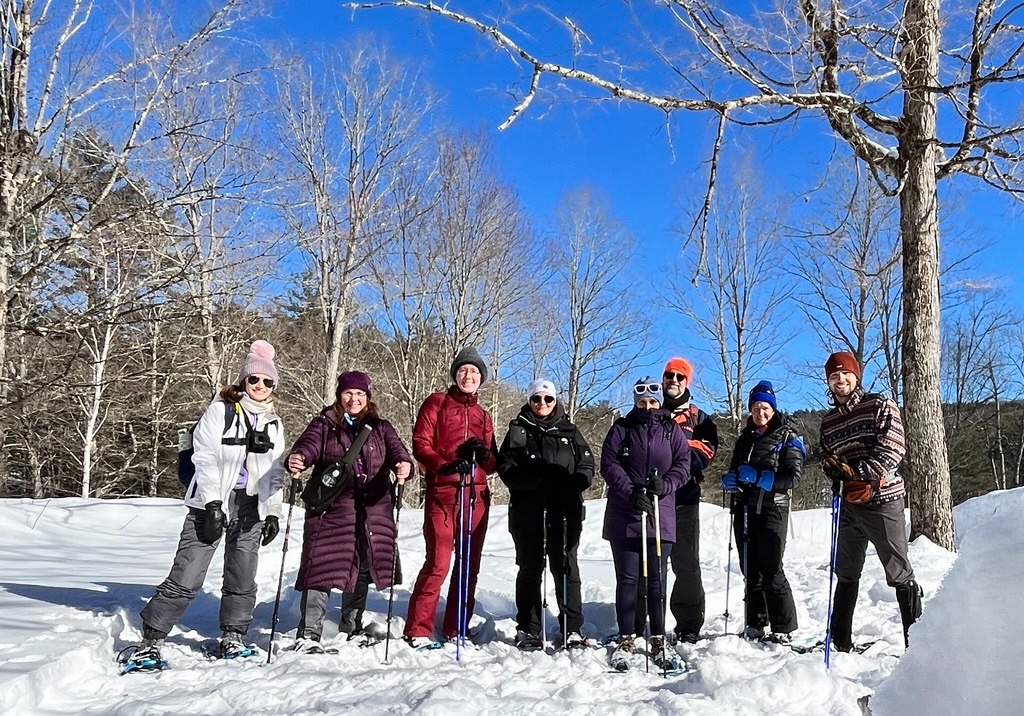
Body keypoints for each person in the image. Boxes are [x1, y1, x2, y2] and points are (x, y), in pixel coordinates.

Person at [131, 340, 287, 667]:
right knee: (189, 572)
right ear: (243, 381)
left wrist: (272, 512)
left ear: (274, 386)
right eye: (254, 379)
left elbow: (274, 472)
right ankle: (152, 638)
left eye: (267, 381)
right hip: (211, 501)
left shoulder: (274, 423)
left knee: (242, 574)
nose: (260, 386)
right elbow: (203, 457)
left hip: (251, 506)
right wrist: (213, 503)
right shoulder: (220, 410)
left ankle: (233, 635)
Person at [286, 371, 412, 652]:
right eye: (348, 393)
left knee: (361, 568)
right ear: (339, 396)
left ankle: (351, 626)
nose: (354, 399)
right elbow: (307, 447)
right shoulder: (324, 424)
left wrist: (404, 465)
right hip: (332, 509)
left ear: (368, 397)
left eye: (360, 394)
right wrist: (298, 459)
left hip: (371, 509)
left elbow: (398, 453)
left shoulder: (381, 427)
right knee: (320, 567)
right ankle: (308, 633)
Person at [819, 351, 922, 651]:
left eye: (846, 374)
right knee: (846, 570)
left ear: (856, 376)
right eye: (834, 376)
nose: (841, 380)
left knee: (899, 570)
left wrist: (861, 475)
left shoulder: (878, 404)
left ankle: (917, 646)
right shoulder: (827, 422)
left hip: (883, 500)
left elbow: (894, 448)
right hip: (849, 503)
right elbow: (828, 455)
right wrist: (833, 469)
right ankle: (840, 641)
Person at [403, 347, 498, 649]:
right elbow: (421, 442)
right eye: (463, 371)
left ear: (481, 379)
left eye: (474, 372)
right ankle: (418, 629)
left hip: (476, 496)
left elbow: (492, 463)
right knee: (439, 563)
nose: (468, 376)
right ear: (455, 375)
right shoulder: (437, 402)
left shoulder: (484, 415)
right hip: (443, 495)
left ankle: (456, 628)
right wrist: (445, 465)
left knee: (468, 565)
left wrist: (483, 455)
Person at [496, 378, 595, 651]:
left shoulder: (570, 431)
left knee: (565, 567)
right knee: (530, 568)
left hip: (564, 509)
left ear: (555, 401)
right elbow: (505, 466)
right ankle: (528, 628)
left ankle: (571, 628)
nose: (542, 404)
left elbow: (587, 464)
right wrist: (535, 481)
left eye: (548, 399)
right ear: (529, 401)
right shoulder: (518, 430)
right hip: (529, 510)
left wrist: (575, 483)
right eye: (537, 398)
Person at [601, 378, 691, 671]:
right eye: (642, 402)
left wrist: (665, 485)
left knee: (657, 580)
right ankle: (627, 637)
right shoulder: (622, 428)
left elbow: (683, 464)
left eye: (652, 401)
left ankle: (658, 637)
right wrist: (630, 491)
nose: (648, 406)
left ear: (659, 402)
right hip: (626, 512)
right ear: (635, 402)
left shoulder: (671, 429)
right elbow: (609, 463)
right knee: (627, 579)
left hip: (659, 511)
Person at [722, 380, 805, 644]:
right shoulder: (745, 438)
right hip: (745, 509)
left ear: (774, 408)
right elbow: (735, 467)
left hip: (773, 509)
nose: (761, 412)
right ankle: (755, 624)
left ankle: (783, 627)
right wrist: (731, 480)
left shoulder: (787, 436)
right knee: (750, 569)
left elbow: (793, 477)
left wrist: (759, 477)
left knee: (771, 569)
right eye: (756, 407)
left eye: (766, 407)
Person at [659, 357, 719, 643]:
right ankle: (647, 620)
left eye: (679, 376)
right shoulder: (650, 411)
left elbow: (705, 454)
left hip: (684, 498)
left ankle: (688, 624)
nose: (673, 380)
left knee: (685, 563)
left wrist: (671, 456)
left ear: (687, 382)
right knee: (651, 563)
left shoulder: (700, 418)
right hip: (654, 500)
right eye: (669, 375)